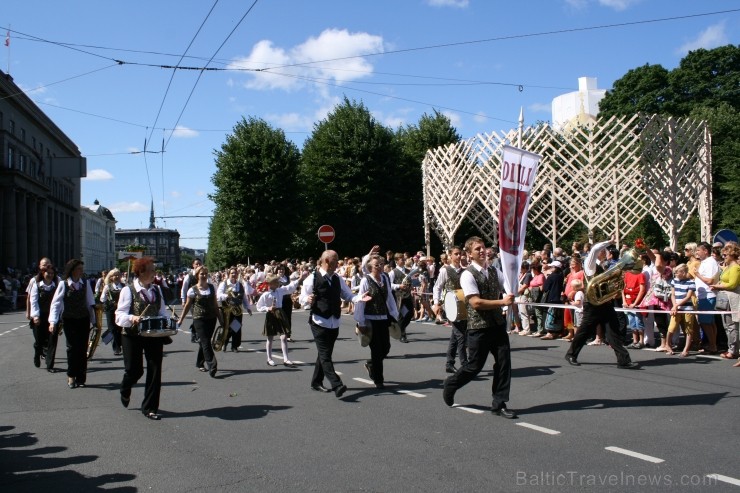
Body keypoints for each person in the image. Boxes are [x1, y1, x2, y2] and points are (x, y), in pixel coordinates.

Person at [442, 236, 517, 419]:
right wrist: (502, 301)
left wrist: (513, 289)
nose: (482, 251)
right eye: (477, 249)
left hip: (497, 325)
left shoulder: (494, 271)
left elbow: (507, 287)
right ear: (469, 254)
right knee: (474, 367)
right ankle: (452, 384)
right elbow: (475, 302)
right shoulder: (467, 275)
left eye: (483, 247)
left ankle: (499, 403)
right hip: (478, 327)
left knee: (504, 363)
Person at [564, 238, 638, 369]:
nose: (604, 251)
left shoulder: (602, 265)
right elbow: (593, 250)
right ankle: (571, 354)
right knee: (584, 331)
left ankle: (623, 360)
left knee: (613, 330)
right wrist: (609, 242)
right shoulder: (589, 264)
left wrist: (613, 291)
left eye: (605, 250)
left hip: (605, 303)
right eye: (603, 250)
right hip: (592, 305)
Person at [115, 257, 171, 420]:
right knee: (134, 370)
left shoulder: (157, 290)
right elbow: (119, 316)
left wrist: (168, 321)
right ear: (141, 272)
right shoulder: (128, 290)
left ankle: (150, 407)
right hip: (132, 335)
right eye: (152, 270)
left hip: (153, 334)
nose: (155, 273)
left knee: (155, 370)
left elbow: (162, 312)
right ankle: (125, 388)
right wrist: (132, 318)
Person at [299, 250, 356, 398]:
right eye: (335, 261)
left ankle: (316, 382)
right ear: (326, 262)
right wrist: (307, 299)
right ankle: (337, 384)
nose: (338, 263)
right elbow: (302, 297)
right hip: (319, 321)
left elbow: (347, 294)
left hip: (334, 321)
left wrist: (359, 298)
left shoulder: (338, 278)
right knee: (325, 355)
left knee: (324, 354)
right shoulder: (312, 278)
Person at [354, 252, 400, 389]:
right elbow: (361, 302)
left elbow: (390, 298)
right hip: (370, 320)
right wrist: (360, 322)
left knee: (386, 347)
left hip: (383, 318)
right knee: (376, 349)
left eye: (381, 264)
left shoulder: (385, 278)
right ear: (369, 267)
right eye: (376, 265)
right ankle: (378, 380)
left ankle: (371, 364)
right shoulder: (365, 281)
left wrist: (394, 314)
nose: (379, 267)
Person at [49, 259, 96, 389]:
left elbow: (90, 303)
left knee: (82, 349)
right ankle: (71, 375)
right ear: (72, 270)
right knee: (72, 348)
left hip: (83, 319)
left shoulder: (85, 284)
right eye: (79, 269)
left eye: (82, 269)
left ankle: (81, 377)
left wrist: (94, 321)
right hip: (69, 319)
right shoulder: (63, 284)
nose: (82, 271)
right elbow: (56, 304)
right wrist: (53, 321)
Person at [179, 265, 224, 377]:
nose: (204, 276)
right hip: (199, 319)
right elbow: (187, 306)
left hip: (211, 318)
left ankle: (199, 362)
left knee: (206, 341)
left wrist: (220, 319)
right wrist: (181, 319)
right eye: (201, 274)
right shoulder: (192, 290)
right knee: (205, 341)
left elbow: (215, 305)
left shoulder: (212, 287)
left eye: (205, 273)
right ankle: (212, 364)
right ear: (197, 275)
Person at [256, 273, 305, 367]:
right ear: (270, 284)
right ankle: (269, 358)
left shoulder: (280, 290)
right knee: (270, 337)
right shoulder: (266, 294)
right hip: (271, 315)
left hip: (280, 313)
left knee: (284, 336)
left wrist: (299, 280)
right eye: (276, 282)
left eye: (277, 281)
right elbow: (259, 306)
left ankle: (286, 359)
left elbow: (290, 287)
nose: (278, 283)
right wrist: (268, 308)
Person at [433, 245, 468, 373]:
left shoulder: (465, 271)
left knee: (456, 335)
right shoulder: (445, 270)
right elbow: (437, 287)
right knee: (460, 335)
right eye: (456, 254)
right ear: (450, 256)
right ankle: (465, 364)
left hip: (463, 305)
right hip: (450, 305)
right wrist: (437, 303)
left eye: (460, 254)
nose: (459, 256)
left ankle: (449, 363)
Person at [710, 243, 740, 363]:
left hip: (733, 298)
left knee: (733, 325)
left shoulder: (736, 268)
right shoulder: (727, 267)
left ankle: (733, 350)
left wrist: (718, 286)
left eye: (725, 254)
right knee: (727, 325)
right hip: (724, 298)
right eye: (723, 254)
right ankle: (732, 348)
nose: (723, 256)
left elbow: (732, 284)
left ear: (732, 255)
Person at [29, 266, 61, 371]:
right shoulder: (36, 286)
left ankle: (50, 364)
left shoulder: (57, 286)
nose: (50, 275)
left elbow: (60, 303)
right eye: (48, 273)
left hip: (53, 316)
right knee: (39, 340)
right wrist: (36, 316)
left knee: (52, 341)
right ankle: (37, 354)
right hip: (40, 316)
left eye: (52, 273)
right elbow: (33, 301)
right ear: (43, 273)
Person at [691, 242, 720, 354]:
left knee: (705, 322)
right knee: (709, 322)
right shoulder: (704, 262)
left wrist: (697, 274)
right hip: (703, 295)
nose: (696, 252)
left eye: (698, 250)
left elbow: (710, 280)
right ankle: (712, 344)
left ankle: (713, 345)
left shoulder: (710, 262)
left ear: (705, 251)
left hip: (708, 295)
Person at [217, 267, 253, 352]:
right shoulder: (224, 284)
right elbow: (218, 296)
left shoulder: (240, 285)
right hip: (227, 310)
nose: (234, 275)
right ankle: (224, 342)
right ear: (228, 274)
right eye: (232, 273)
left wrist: (248, 308)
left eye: (235, 273)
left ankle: (234, 346)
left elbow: (243, 297)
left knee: (236, 327)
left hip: (237, 310)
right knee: (228, 328)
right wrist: (227, 296)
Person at [665, 264, 697, 357]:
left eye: (677, 272)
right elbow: (673, 295)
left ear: (683, 273)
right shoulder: (674, 281)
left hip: (687, 308)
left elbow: (688, 297)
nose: (675, 274)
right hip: (676, 308)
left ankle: (686, 349)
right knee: (671, 328)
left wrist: (677, 305)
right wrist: (675, 306)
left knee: (688, 330)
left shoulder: (691, 282)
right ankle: (668, 346)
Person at [100, 269, 125, 356]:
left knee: (119, 328)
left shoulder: (124, 286)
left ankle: (119, 344)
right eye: (115, 275)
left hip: (121, 310)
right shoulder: (108, 287)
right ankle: (116, 348)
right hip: (110, 310)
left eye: (118, 275)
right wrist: (106, 296)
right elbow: (102, 299)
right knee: (112, 328)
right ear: (111, 277)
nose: (117, 277)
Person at [181, 258, 203, 343]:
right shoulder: (189, 276)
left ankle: (196, 332)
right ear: (193, 265)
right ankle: (195, 334)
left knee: (200, 317)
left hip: (202, 300)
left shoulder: (203, 275)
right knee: (196, 316)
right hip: (192, 301)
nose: (198, 266)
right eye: (196, 264)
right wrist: (183, 300)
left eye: (199, 264)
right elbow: (184, 289)